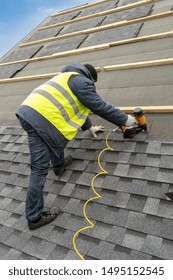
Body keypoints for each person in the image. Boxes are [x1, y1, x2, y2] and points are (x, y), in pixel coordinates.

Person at [16, 63, 135, 230]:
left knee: (52, 137)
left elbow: (76, 104)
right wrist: (126, 120)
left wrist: (89, 127)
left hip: (28, 113)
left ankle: (59, 165)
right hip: (41, 118)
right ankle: (34, 217)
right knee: (39, 169)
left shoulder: (67, 78)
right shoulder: (82, 81)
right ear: (91, 78)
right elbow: (98, 105)